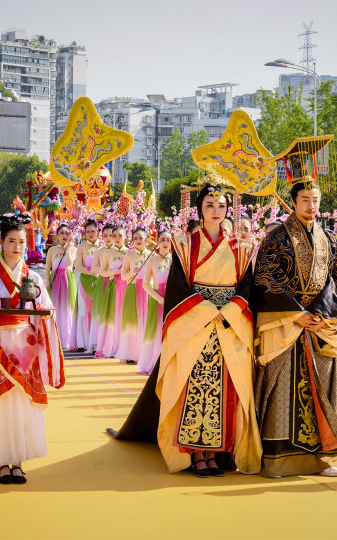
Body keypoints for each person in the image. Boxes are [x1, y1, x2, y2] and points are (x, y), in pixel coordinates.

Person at [252, 180, 337, 478]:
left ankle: (324, 459)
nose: (311, 205)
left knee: (325, 388)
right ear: (294, 202)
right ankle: (277, 459)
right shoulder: (275, 240)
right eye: (305, 200)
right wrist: (294, 314)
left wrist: (321, 313)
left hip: (320, 325)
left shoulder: (331, 239)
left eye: (315, 199)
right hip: (286, 325)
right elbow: (264, 278)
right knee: (282, 389)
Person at [156, 184, 260, 477]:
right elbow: (178, 286)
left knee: (225, 386)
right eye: (210, 205)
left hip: (228, 323)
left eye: (221, 205)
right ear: (199, 209)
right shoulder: (184, 245)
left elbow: (247, 287)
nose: (216, 211)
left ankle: (216, 453)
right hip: (196, 323)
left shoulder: (242, 248)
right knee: (193, 384)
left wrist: (227, 311)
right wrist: (206, 312)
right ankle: (195, 452)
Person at [0, 214, 65, 484]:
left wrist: (48, 315)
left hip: (26, 349)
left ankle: (17, 462)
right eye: (12, 241)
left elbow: (47, 308)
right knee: (0, 404)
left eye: (21, 241)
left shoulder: (33, 276)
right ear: (1, 243)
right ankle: (2, 463)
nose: (17, 246)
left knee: (22, 405)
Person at [137, 230, 172, 375]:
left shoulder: (176, 260)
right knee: (157, 331)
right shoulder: (151, 261)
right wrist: (159, 298)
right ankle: (155, 363)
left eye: (168, 240)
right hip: (158, 299)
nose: (165, 243)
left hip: (172, 299)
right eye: (162, 239)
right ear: (157, 242)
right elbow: (146, 284)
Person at [116, 228, 152, 364]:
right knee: (131, 321)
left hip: (147, 290)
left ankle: (144, 353)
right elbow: (123, 276)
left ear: (146, 240)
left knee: (146, 320)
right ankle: (131, 352)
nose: (138, 240)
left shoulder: (152, 255)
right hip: (132, 289)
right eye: (135, 238)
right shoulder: (129, 255)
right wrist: (131, 272)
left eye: (140, 238)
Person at [95, 225, 129, 359]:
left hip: (127, 286)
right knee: (113, 316)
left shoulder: (130, 252)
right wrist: (115, 272)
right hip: (113, 286)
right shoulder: (107, 254)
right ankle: (112, 346)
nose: (117, 238)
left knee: (125, 316)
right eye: (115, 236)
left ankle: (125, 346)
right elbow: (102, 272)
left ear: (126, 237)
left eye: (120, 236)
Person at [44, 224, 78, 351]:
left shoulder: (73, 249)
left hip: (67, 279)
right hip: (55, 279)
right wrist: (47, 282)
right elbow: (47, 268)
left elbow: (70, 263)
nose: (64, 236)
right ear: (57, 235)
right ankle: (53, 338)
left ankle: (67, 340)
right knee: (55, 307)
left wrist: (69, 249)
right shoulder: (52, 250)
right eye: (62, 233)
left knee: (68, 309)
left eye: (67, 233)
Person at [73, 220, 101, 353]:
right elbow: (77, 266)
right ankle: (82, 342)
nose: (90, 234)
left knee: (97, 313)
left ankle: (96, 342)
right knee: (83, 311)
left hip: (100, 282)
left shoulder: (103, 247)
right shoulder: (81, 247)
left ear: (98, 231)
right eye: (88, 231)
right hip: (85, 281)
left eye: (93, 231)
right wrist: (92, 272)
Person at [89, 224, 115, 356]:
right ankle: (97, 342)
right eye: (105, 235)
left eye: (111, 235)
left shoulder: (123, 251)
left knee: (113, 312)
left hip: (116, 283)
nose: (108, 238)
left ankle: (113, 343)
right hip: (102, 282)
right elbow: (93, 268)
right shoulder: (99, 251)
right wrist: (106, 271)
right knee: (100, 311)